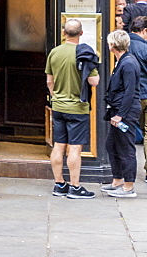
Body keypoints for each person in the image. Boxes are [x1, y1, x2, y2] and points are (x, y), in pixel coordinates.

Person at [45, 18, 99, 199]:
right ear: (81, 33)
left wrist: (56, 98)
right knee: (75, 148)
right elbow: (94, 81)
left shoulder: (54, 52)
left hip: (58, 106)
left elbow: (49, 81)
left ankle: (59, 184)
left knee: (59, 145)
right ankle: (75, 187)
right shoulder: (84, 53)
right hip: (78, 107)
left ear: (63, 33)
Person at [102, 30, 140, 198]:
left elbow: (130, 93)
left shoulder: (128, 64)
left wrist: (120, 115)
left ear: (113, 45)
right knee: (112, 145)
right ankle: (117, 180)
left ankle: (128, 186)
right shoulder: (121, 62)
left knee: (126, 147)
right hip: (118, 110)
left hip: (126, 112)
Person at [129, 16, 147, 171]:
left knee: (126, 131)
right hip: (145, 93)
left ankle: (125, 172)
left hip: (128, 95)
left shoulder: (123, 44)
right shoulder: (145, 48)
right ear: (144, 31)